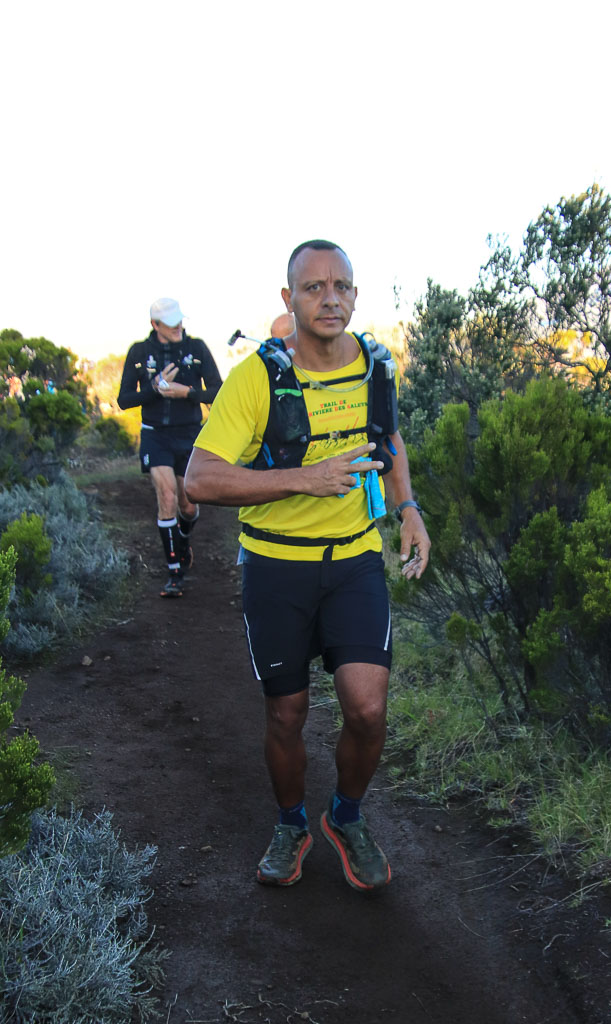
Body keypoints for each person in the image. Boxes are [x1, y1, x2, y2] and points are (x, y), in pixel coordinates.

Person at [185, 240, 430, 892]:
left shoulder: (375, 366)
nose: (329, 298)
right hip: (276, 567)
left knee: (367, 710)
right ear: (288, 298)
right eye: (314, 287)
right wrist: (305, 478)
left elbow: (388, 437)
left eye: (341, 286)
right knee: (286, 715)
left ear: (355, 295)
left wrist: (407, 507)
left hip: (353, 561)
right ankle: (291, 823)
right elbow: (199, 479)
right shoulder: (257, 378)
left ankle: (344, 816)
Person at [118, 297, 222, 597]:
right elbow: (124, 400)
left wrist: (187, 392)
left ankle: (183, 540)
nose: (178, 327)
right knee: (166, 496)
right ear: (155, 324)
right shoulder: (139, 352)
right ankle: (174, 573)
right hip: (155, 435)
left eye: (179, 321)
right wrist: (153, 389)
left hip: (189, 435)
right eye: (171, 323)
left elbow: (218, 391)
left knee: (188, 505)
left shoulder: (196, 348)